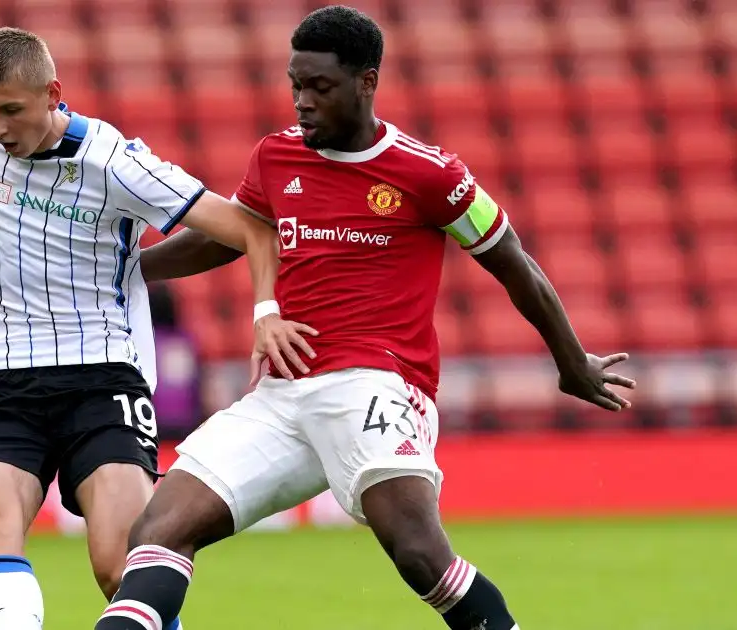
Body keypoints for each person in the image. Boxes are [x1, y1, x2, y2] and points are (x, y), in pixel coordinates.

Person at [94, 6, 636, 630]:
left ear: (366, 81)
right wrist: (128, 269)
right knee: (155, 532)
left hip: (377, 383)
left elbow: (517, 267)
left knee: (419, 555)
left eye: (319, 87)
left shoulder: (431, 174)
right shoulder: (276, 157)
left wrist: (572, 364)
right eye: (295, 85)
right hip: (280, 394)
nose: (302, 102)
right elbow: (231, 237)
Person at [0, 27, 315, 630]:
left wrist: (265, 311)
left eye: (12, 109)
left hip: (100, 378)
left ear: (52, 93)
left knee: (122, 563)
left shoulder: (115, 164)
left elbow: (250, 227)